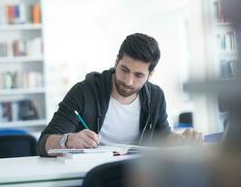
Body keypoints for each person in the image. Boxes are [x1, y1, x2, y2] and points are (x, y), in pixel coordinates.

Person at [37, 33, 203, 157]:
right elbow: (43, 144)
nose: (128, 81)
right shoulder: (84, 91)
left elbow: (163, 136)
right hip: (92, 174)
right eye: (124, 70)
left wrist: (181, 140)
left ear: (150, 74)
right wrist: (67, 140)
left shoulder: (155, 96)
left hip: (137, 173)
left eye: (138, 75)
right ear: (116, 62)